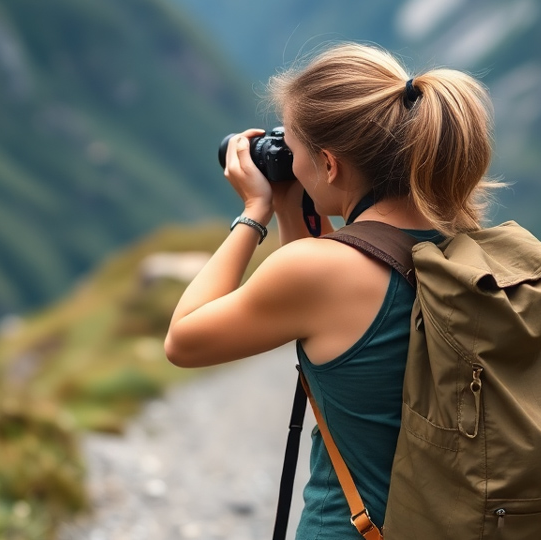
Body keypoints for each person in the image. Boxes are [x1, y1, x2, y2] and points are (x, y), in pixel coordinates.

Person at [164, 42, 496, 539]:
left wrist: (254, 212)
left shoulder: (320, 272)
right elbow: (321, 308)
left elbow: (183, 341)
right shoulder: (465, 250)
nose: (290, 165)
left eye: (293, 152)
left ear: (330, 164)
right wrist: (292, 211)